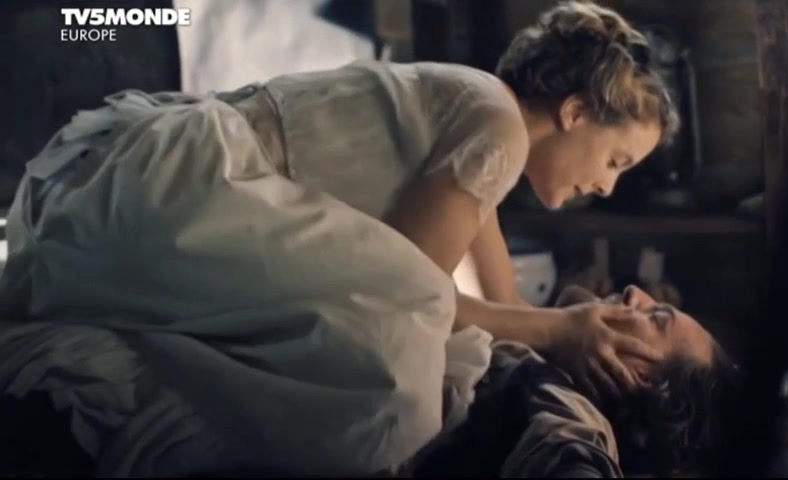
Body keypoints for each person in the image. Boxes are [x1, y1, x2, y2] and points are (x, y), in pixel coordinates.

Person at [0, 1, 679, 477]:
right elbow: (409, 292)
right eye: (616, 160)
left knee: (413, 368)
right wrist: (558, 329)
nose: (607, 185)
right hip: (186, 187)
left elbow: (506, 314)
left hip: (164, 172)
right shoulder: (495, 126)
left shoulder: (486, 123)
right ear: (575, 112)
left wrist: (563, 328)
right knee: (396, 397)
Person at [413, 284, 742, 478]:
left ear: (640, 377)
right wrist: (561, 323)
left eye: (655, 317)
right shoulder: (546, 347)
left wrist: (559, 326)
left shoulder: (569, 411)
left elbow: (572, 456)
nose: (635, 293)